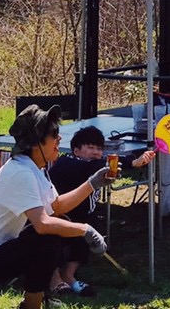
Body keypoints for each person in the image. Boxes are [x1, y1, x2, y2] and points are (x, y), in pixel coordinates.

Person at [0, 105, 112, 309]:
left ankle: (36, 301)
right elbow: (42, 224)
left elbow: (57, 206)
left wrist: (93, 182)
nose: (59, 139)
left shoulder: (34, 169)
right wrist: (86, 230)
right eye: (53, 135)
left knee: (55, 227)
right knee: (47, 237)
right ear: (35, 142)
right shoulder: (21, 173)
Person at [45, 124, 155, 298]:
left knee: (85, 232)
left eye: (98, 149)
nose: (95, 152)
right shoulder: (69, 163)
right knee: (53, 241)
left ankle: (69, 275)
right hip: (53, 216)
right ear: (76, 150)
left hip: (81, 216)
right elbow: (97, 166)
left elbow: (99, 166)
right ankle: (54, 279)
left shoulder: (92, 165)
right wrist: (133, 162)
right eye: (90, 147)